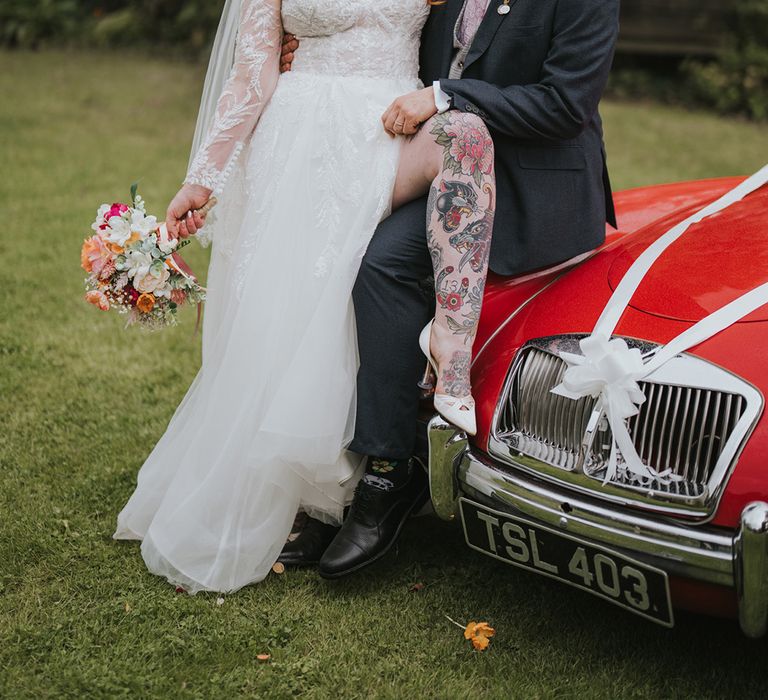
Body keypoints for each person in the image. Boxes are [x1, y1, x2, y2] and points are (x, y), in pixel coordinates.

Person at [113, 0, 501, 593]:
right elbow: (252, 75)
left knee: (459, 149)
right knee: (301, 311)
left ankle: (447, 361)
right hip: (305, 142)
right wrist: (202, 179)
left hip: (396, 129)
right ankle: (303, 495)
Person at [277, 0, 620, 578]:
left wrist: (446, 96)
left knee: (384, 264)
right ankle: (343, 476)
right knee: (347, 252)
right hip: (445, 167)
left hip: (531, 188)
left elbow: (566, 105)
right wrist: (307, 51)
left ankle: (387, 474)